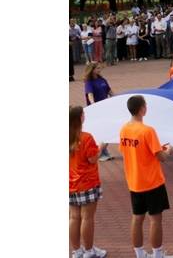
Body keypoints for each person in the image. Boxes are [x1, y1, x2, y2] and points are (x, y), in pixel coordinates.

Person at [119, 95, 173, 258]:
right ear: (142, 109)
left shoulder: (124, 128)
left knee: (137, 218)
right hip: (152, 181)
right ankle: (157, 254)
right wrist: (169, 151)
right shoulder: (147, 130)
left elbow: (127, 151)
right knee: (155, 220)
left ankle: (139, 253)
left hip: (134, 181)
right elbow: (161, 157)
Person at [70, 106, 108, 258]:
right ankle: (89, 250)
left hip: (70, 183)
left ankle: (77, 251)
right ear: (80, 118)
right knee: (87, 218)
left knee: (74, 217)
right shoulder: (86, 137)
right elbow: (92, 158)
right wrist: (101, 148)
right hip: (87, 182)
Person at [83, 63, 115, 160]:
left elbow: (110, 92)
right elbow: (90, 94)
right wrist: (94, 105)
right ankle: (101, 152)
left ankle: (103, 151)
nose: (100, 69)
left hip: (106, 108)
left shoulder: (102, 80)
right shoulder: (89, 82)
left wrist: (116, 99)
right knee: (103, 130)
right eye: (97, 68)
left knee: (108, 129)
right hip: (97, 110)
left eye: (100, 68)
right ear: (92, 70)